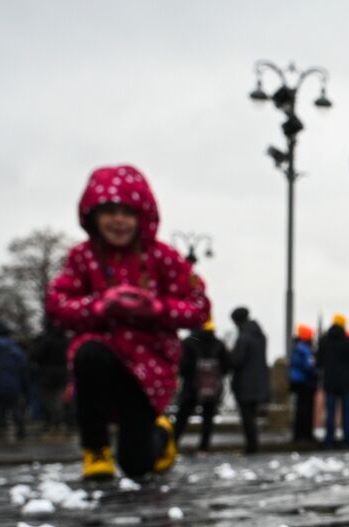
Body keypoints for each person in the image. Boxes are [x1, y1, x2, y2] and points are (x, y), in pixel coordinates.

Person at [47, 165, 210, 479]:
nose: (118, 220)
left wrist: (154, 308)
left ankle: (160, 435)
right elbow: (57, 305)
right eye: (109, 211)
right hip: (103, 359)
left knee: (137, 465)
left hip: (148, 370)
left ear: (142, 216)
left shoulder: (163, 257)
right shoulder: (83, 258)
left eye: (127, 212)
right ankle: (95, 449)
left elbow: (198, 307)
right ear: (92, 215)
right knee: (90, 353)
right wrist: (100, 306)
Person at [174, 320, 229, 453]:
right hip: (212, 388)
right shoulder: (219, 343)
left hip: (191, 386)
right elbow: (226, 366)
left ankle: (172, 444)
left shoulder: (188, 342)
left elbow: (182, 365)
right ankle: (203, 448)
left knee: (182, 416)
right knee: (208, 417)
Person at [229, 307, 269, 454]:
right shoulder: (260, 335)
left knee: (247, 418)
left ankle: (251, 447)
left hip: (245, 383)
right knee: (251, 416)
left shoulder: (244, 337)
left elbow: (237, 360)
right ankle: (253, 445)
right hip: (259, 382)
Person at [318, 314, 349, 449]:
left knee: (330, 413)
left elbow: (319, 361)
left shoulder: (324, 341)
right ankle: (348, 441)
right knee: (347, 414)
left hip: (330, 382)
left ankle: (329, 441)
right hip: (348, 383)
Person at [28, 325, 71, 434]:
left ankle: (52, 422)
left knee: (47, 399)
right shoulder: (65, 340)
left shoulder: (46, 340)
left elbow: (35, 354)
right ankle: (59, 422)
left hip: (47, 373)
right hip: (62, 372)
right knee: (59, 398)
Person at [288, 324, 318, 445]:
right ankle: (304, 435)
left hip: (298, 381)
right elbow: (309, 366)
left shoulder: (297, 347)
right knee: (305, 410)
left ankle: (299, 435)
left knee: (300, 409)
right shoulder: (305, 349)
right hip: (305, 382)